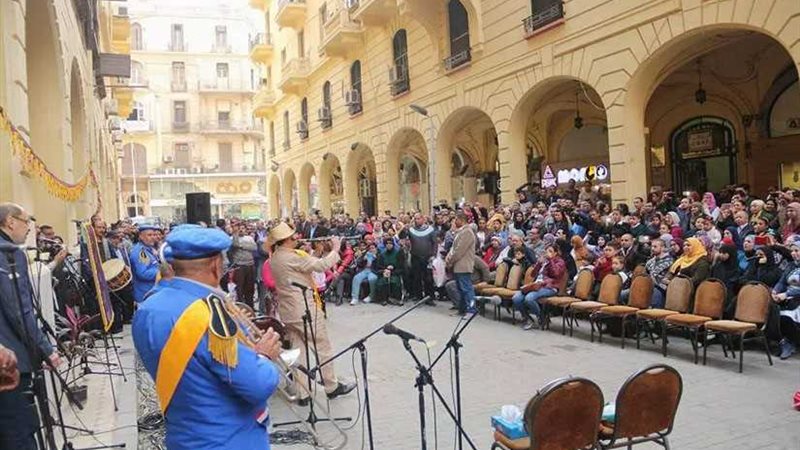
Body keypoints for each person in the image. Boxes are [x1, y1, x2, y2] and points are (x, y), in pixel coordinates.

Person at [133, 226, 282, 449]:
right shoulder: (210, 315)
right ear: (215, 265)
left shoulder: (149, 306)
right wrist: (264, 357)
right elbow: (258, 384)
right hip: (230, 439)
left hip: (182, 436)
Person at [268, 223, 355, 405]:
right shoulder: (291, 257)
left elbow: (304, 268)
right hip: (303, 308)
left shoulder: (276, 257)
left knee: (299, 352)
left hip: (288, 310)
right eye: (294, 237)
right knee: (322, 345)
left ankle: (303, 393)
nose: (297, 238)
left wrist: (314, 253)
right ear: (287, 240)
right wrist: (336, 248)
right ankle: (331, 386)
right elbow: (322, 266)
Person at [0, 203, 62, 450]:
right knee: (20, 433)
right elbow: (18, 309)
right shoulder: (9, 254)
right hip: (11, 365)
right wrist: (45, 348)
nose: (29, 228)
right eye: (26, 221)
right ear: (10, 222)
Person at [512, 244, 566, 330]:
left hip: (550, 287)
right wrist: (538, 263)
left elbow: (555, 274)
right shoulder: (543, 261)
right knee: (516, 298)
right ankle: (528, 318)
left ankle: (541, 317)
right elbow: (533, 274)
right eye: (546, 251)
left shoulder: (560, 262)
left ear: (555, 253)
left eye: (550, 251)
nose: (547, 253)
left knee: (529, 298)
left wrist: (550, 260)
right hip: (536, 285)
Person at [446, 212, 477, 315]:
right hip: (458, 266)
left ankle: (471, 310)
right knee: (461, 289)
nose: (455, 222)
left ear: (461, 220)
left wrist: (450, 261)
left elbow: (459, 251)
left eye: (456, 219)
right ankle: (462, 310)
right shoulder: (460, 232)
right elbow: (453, 249)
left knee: (467, 289)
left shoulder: (467, 232)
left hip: (463, 265)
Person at [130, 224, 162, 303]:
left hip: (151, 293)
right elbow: (143, 273)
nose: (153, 237)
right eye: (149, 235)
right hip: (145, 294)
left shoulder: (149, 249)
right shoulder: (141, 252)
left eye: (154, 235)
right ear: (141, 236)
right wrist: (161, 272)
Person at [229, 223, 258, 307]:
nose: (241, 230)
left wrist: (241, 246)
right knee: (239, 289)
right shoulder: (232, 238)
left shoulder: (249, 238)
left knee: (250, 288)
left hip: (250, 265)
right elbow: (234, 245)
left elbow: (254, 247)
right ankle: (241, 307)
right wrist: (235, 235)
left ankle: (250, 307)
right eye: (239, 228)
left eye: (243, 228)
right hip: (239, 266)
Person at [644, 238, 673, 308]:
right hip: (649, 284)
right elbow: (646, 273)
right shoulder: (650, 261)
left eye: (655, 247)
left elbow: (671, 276)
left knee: (656, 290)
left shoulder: (670, 261)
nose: (652, 248)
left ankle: (655, 316)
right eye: (652, 246)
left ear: (662, 248)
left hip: (663, 287)